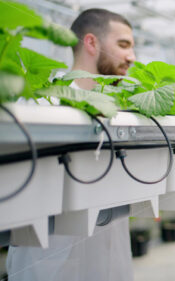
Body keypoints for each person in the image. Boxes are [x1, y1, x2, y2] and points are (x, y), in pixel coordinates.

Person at [6, 8, 136, 281]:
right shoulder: (41, 106)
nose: (131, 57)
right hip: (48, 269)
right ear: (91, 43)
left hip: (114, 265)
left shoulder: (126, 113)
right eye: (123, 45)